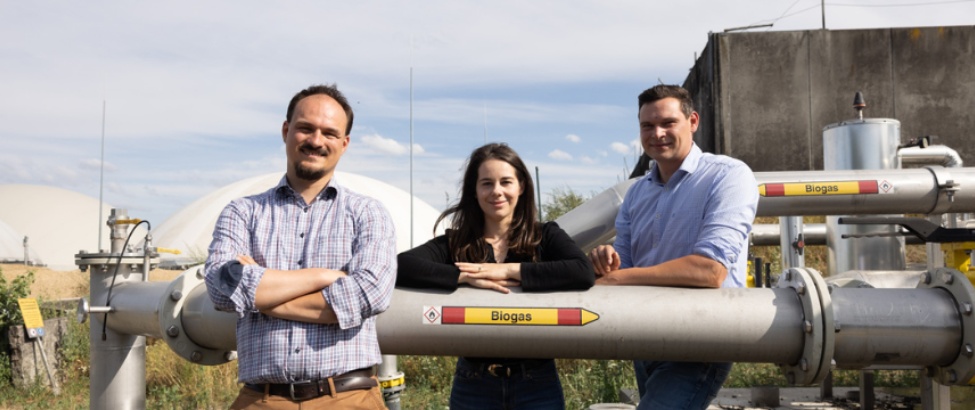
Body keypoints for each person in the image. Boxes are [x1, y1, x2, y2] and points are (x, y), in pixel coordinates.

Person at [204, 84, 396, 410]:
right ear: (285, 130)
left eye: (329, 133)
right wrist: (323, 277)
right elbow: (223, 287)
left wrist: (260, 295)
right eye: (305, 128)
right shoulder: (242, 211)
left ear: (344, 143)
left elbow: (370, 293)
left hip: (348, 397)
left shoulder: (368, 212)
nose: (316, 141)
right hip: (262, 398)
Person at [589, 84, 758, 410]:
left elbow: (710, 271)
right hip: (646, 334)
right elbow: (622, 267)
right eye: (647, 126)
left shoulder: (728, 177)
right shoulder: (637, 194)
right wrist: (606, 261)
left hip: (701, 337)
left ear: (692, 121)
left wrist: (618, 279)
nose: (657, 133)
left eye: (668, 123)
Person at [397, 142, 595, 410]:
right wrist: (461, 276)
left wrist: (510, 270)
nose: (497, 192)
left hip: (537, 382)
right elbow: (401, 265)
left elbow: (581, 271)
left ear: (521, 186)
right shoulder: (457, 243)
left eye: (506, 182)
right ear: (475, 191)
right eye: (487, 183)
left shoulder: (545, 236)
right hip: (473, 383)